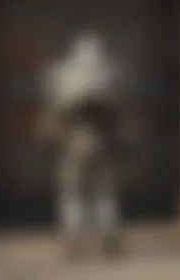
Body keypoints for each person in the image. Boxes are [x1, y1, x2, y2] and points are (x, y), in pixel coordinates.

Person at [40, 32, 125, 257]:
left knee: (74, 194)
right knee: (104, 193)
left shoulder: (63, 73)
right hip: (102, 142)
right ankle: (108, 237)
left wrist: (52, 135)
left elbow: (54, 112)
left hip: (73, 143)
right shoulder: (109, 72)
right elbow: (118, 111)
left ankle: (74, 239)